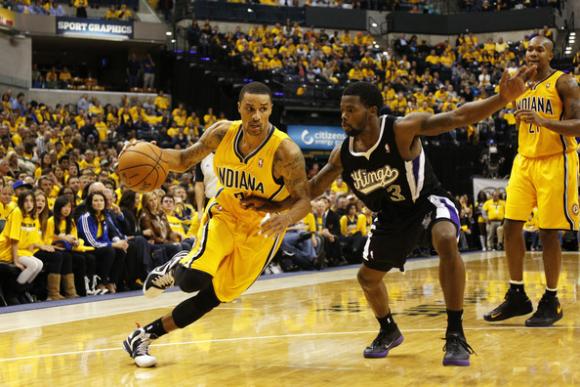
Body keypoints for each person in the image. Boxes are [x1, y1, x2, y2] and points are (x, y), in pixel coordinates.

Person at [244, 74, 533, 366]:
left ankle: (455, 333)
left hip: (426, 202)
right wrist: (271, 204)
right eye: (341, 111)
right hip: (390, 218)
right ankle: (388, 329)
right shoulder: (343, 153)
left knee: (446, 239)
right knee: (367, 279)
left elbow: (457, 117)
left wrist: (502, 99)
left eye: (351, 110)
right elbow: (313, 189)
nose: (343, 116)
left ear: (372, 111)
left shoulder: (401, 129)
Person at [122, 82, 311, 367]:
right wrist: (155, 154)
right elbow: (185, 159)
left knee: (212, 298)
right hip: (226, 213)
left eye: (263, 109)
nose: (256, 116)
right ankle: (176, 266)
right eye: (250, 109)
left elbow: (303, 201)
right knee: (193, 280)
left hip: (262, 230)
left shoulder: (286, 152)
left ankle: (143, 336)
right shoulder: (222, 133)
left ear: (271, 110)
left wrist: (282, 216)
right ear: (239, 108)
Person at [484, 36, 580, 327]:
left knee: (549, 233)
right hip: (524, 160)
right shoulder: (520, 81)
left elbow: (578, 125)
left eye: (540, 49)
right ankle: (517, 295)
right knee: (510, 226)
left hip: (556, 160)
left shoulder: (565, 83)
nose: (534, 53)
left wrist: (544, 121)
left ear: (550, 54)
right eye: (529, 49)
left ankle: (551, 299)